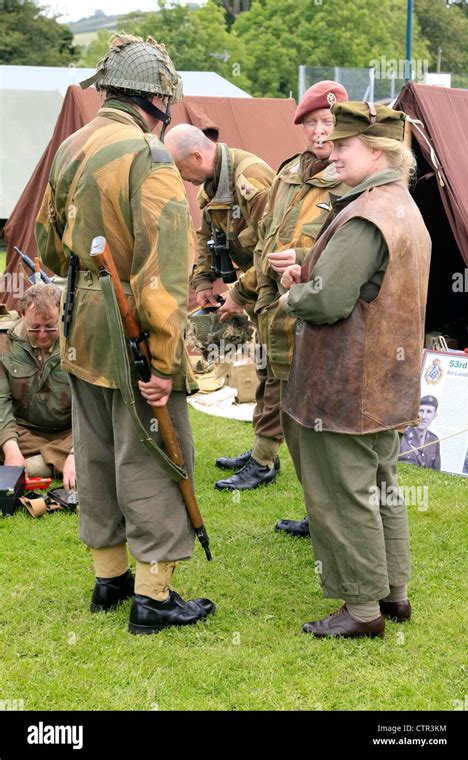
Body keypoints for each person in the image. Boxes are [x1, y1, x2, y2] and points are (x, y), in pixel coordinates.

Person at [35, 34, 215, 635]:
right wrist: (163, 363)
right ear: (158, 98)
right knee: (153, 455)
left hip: (79, 323)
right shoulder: (150, 155)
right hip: (132, 325)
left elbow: (45, 246)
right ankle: (153, 597)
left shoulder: (70, 146)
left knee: (95, 450)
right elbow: (162, 274)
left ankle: (109, 577)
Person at [280, 101, 431, 638]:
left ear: (379, 152)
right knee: (383, 487)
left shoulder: (365, 213)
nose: (332, 152)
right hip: (384, 381)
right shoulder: (402, 206)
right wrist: (311, 273)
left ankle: (362, 612)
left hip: (344, 384)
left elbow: (326, 303)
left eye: (343, 146)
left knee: (343, 495)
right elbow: (368, 289)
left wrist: (292, 288)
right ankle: (395, 596)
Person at [253, 81, 349, 535]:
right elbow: (265, 238)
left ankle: (329, 515)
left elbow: (349, 258)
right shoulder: (289, 172)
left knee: (319, 423)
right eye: (311, 123)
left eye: (328, 122)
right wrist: (254, 295)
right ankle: (318, 512)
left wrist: (306, 265)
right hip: (279, 311)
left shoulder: (351, 179)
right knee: (294, 421)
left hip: (320, 317)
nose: (318, 132)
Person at [164, 124, 283, 490]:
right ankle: (264, 451)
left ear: (198, 157)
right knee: (265, 369)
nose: (183, 179)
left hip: (277, 285)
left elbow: (272, 247)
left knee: (277, 371)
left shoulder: (251, 178)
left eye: (182, 170)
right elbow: (205, 237)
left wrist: (239, 294)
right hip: (255, 285)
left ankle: (263, 461)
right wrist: (202, 284)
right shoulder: (212, 184)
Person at [0, 283, 75, 488]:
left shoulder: (80, 342)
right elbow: (1, 403)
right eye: (34, 328)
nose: (42, 335)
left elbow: (91, 409)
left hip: (70, 433)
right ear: (23, 315)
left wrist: (76, 452)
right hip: (23, 432)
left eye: (50, 327)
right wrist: (11, 449)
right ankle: (50, 463)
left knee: (107, 441)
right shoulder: (4, 342)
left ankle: (34, 466)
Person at [400, 395, 441, 470]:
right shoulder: (401, 435)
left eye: (429, 412)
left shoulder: (434, 441)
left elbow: (436, 473)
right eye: (421, 411)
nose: (424, 416)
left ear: (434, 416)